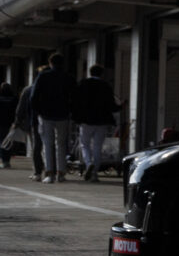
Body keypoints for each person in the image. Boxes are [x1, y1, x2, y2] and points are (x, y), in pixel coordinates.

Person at [29, 53, 75, 183]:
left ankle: (49, 174)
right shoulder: (69, 77)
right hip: (63, 115)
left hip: (46, 115)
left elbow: (34, 96)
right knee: (61, 144)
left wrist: (39, 111)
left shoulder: (43, 76)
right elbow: (75, 97)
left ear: (50, 63)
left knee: (47, 144)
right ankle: (61, 173)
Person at [73, 64, 123, 181]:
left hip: (86, 120)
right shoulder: (106, 86)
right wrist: (120, 107)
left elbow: (76, 101)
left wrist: (76, 116)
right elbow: (111, 105)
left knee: (85, 145)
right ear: (101, 74)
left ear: (90, 73)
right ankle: (95, 172)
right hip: (102, 120)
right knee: (97, 146)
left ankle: (88, 162)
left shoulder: (83, 84)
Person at [0, 81, 17, 170]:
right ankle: (7, 160)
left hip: (1, 123)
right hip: (11, 123)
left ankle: (4, 161)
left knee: (2, 142)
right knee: (9, 142)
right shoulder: (14, 99)